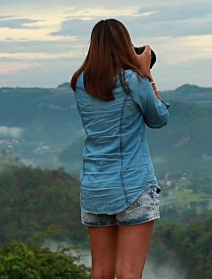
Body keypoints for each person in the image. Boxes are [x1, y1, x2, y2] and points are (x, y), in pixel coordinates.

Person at [70, 19, 170, 279]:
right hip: (134, 185)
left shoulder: (81, 82)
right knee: (129, 273)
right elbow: (159, 119)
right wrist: (147, 75)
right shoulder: (133, 80)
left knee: (101, 272)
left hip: (95, 185)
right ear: (124, 45)